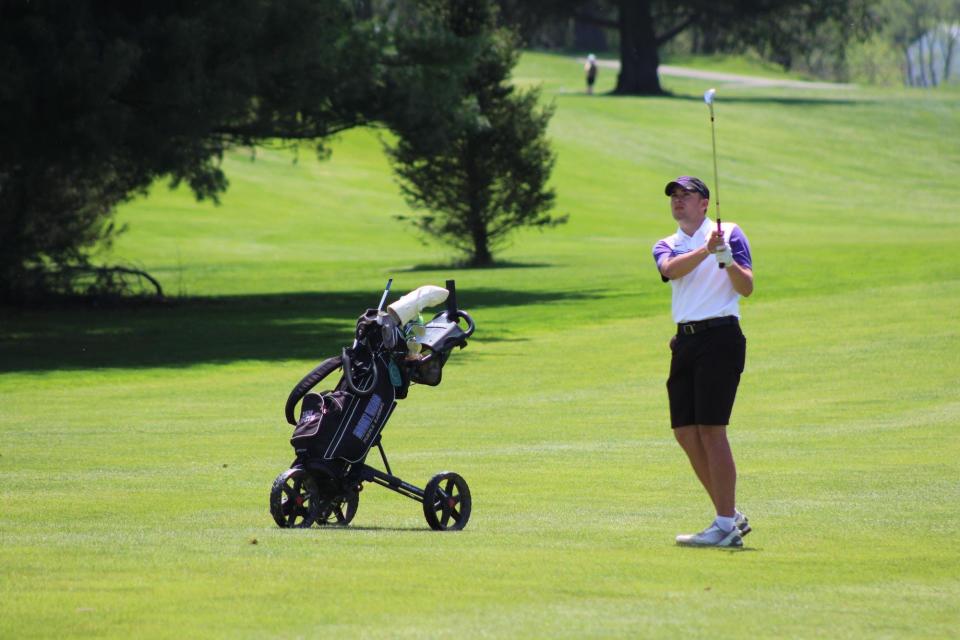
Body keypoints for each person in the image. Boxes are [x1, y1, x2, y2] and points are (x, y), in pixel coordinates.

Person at [652, 176, 754, 548]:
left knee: (712, 429)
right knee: (685, 432)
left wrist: (726, 259)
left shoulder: (731, 233)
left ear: (705, 203)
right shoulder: (668, 244)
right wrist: (707, 252)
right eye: (674, 197)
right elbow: (670, 270)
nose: (678, 201)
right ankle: (730, 517)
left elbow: (746, 288)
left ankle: (725, 526)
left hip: (722, 337)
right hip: (685, 342)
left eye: (686, 195)